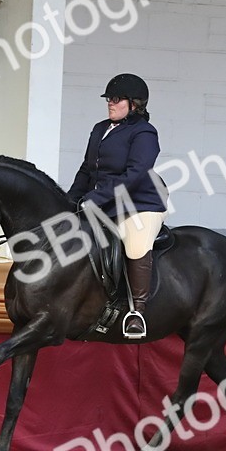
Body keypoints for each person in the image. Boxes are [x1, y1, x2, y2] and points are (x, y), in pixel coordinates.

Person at [67, 73, 167, 338]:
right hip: (106, 202)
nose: (110, 103)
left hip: (140, 203)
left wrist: (96, 199)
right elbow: (87, 169)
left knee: (135, 244)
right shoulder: (100, 128)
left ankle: (137, 311)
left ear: (134, 104)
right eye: (109, 99)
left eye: (116, 99)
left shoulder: (144, 132)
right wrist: (69, 199)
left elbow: (135, 175)